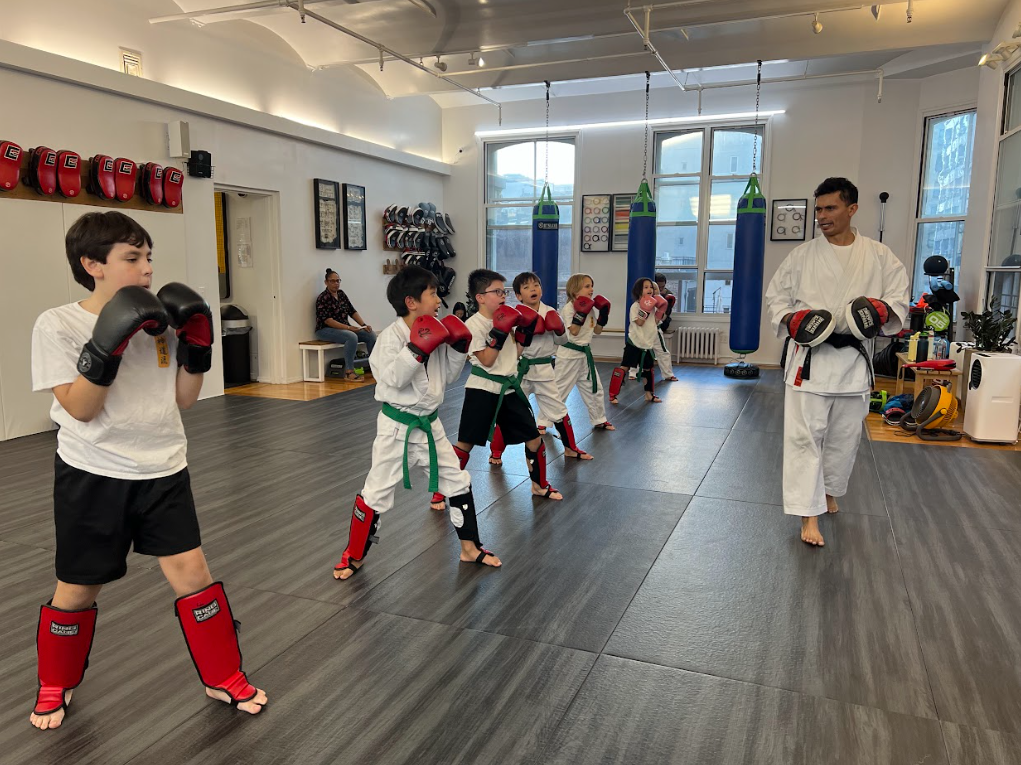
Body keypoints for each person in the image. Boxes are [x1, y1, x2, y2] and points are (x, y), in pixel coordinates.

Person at [28, 211, 267, 731]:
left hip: (164, 467)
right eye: (132, 258)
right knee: (79, 586)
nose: (147, 268)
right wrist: (106, 344)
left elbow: (183, 399)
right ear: (92, 265)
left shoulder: (162, 324)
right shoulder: (57, 324)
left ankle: (223, 674)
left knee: (193, 575)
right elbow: (81, 409)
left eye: (149, 257)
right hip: (92, 472)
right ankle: (54, 681)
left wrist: (197, 348)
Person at [765, 177, 908, 547]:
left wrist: (882, 311)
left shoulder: (879, 255)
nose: (822, 216)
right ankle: (807, 515)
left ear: (852, 209)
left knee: (844, 439)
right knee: (804, 439)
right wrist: (791, 319)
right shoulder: (802, 256)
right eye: (819, 209)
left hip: (854, 364)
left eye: (830, 208)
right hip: (810, 362)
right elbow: (776, 298)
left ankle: (828, 492)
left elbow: (898, 300)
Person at [333, 265, 500, 579]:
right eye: (433, 294)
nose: (438, 300)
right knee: (376, 492)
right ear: (411, 302)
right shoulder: (390, 339)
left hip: (431, 426)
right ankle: (353, 555)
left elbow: (447, 377)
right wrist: (416, 349)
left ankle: (470, 548)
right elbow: (393, 379)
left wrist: (458, 350)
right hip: (397, 429)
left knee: (458, 481)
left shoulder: (437, 331)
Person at [450, 268, 563, 502]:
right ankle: (441, 490)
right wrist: (499, 333)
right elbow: (487, 361)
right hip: (482, 389)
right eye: (497, 292)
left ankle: (539, 486)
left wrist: (524, 334)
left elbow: (514, 355)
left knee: (534, 438)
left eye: (504, 292)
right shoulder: (474, 325)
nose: (503, 296)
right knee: (465, 444)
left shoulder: (507, 319)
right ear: (480, 297)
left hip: (509, 388)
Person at [487, 272, 592, 465]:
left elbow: (562, 341)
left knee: (558, 409)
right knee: (508, 411)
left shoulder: (551, 312)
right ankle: (496, 452)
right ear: (518, 295)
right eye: (527, 287)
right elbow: (509, 347)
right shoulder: (514, 316)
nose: (533, 289)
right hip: (520, 370)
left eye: (536, 285)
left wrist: (558, 328)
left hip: (544, 369)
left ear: (541, 290)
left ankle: (570, 448)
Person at [539, 273, 615, 432]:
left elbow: (597, 331)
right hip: (569, 355)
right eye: (587, 286)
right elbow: (573, 331)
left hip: (585, 356)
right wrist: (581, 313)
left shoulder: (591, 308)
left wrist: (603, 315)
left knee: (594, 388)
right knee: (559, 389)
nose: (591, 289)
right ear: (575, 291)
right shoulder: (569, 308)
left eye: (592, 286)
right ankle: (543, 421)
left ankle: (599, 419)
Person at [314, 268, 377, 381]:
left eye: (338, 281)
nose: (336, 283)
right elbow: (328, 321)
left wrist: (364, 325)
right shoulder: (323, 298)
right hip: (325, 330)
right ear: (326, 282)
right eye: (333, 281)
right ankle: (349, 372)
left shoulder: (341, 294)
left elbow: (352, 311)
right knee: (351, 336)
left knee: (370, 334)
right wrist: (348, 328)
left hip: (344, 329)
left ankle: (375, 367)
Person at [609, 278, 662, 405]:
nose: (650, 289)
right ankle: (613, 394)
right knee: (624, 367)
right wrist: (646, 308)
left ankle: (649, 395)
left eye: (651, 287)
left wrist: (663, 309)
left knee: (648, 369)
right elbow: (639, 322)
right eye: (646, 287)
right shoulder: (635, 306)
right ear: (639, 290)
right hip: (634, 343)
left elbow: (656, 322)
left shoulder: (653, 307)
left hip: (647, 344)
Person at [652, 282, 678, 382]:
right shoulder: (639, 303)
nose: (652, 290)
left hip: (655, 330)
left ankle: (668, 374)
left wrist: (666, 309)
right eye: (648, 288)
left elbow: (661, 319)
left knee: (663, 352)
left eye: (655, 289)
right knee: (638, 351)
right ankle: (633, 372)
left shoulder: (661, 302)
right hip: (642, 331)